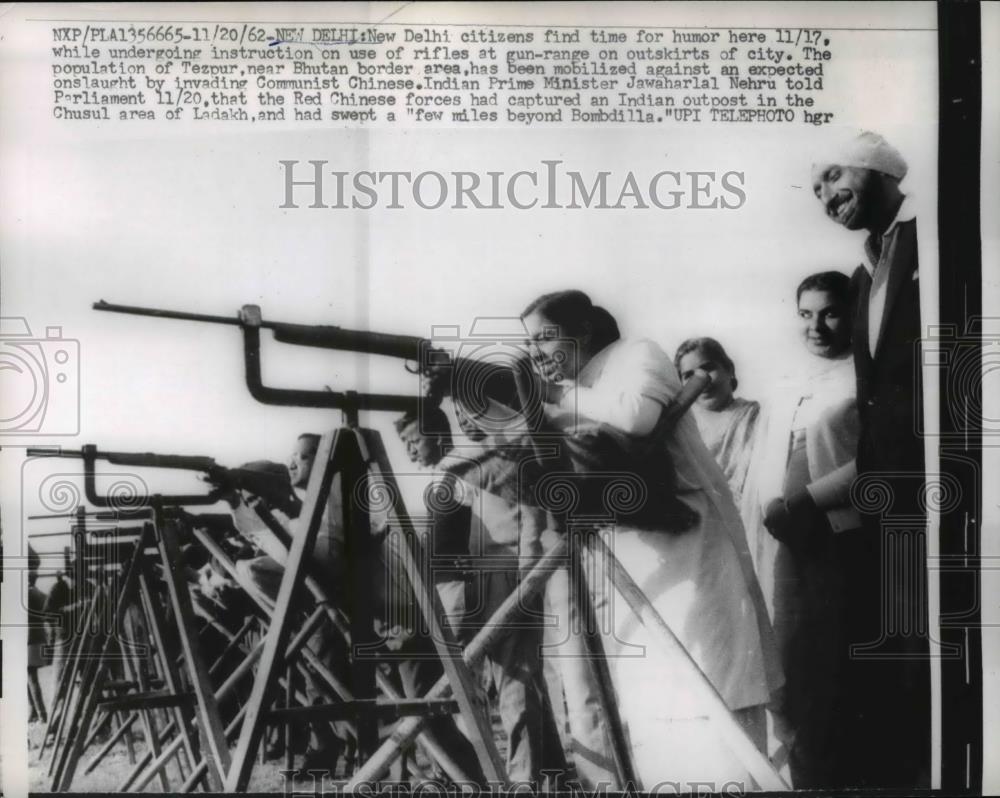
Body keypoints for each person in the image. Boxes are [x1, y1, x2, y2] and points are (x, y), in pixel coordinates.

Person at [428, 290, 782, 790]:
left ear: (584, 332)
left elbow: (637, 418)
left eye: (544, 338)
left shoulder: (636, 354)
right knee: (656, 727)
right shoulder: (578, 389)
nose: (537, 353)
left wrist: (550, 397)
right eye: (529, 343)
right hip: (636, 570)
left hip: (694, 559)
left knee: (713, 718)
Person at [810, 131, 929, 787]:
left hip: (939, 477)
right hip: (888, 490)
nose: (827, 196)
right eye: (817, 190)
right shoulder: (865, 271)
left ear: (880, 170)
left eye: (833, 176)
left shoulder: (929, 242)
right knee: (894, 640)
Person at [395, 406, 563, 786]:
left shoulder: (486, 457)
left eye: (414, 441)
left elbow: (529, 511)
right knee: (497, 680)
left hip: (507, 568)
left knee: (513, 676)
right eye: (404, 444)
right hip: (473, 577)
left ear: (437, 435)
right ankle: (534, 771)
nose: (410, 451)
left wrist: (527, 570)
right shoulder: (448, 471)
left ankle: (524, 778)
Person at [746, 271, 859, 787]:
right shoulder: (785, 379)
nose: (817, 326)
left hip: (837, 536)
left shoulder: (866, 374)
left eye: (830, 312)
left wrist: (805, 504)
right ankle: (801, 775)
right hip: (782, 538)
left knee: (828, 665)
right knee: (784, 665)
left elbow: (880, 461)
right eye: (806, 314)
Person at [674, 337, 761, 510]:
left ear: (729, 369)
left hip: (750, 512)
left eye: (708, 368)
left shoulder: (756, 414)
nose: (701, 379)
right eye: (688, 375)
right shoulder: (680, 427)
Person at [27, 548, 49, 724]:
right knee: (29, 676)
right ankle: (35, 711)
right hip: (35, 638)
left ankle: (40, 713)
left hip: (29, 641)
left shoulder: (28, 594)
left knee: (30, 677)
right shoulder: (38, 594)